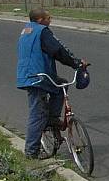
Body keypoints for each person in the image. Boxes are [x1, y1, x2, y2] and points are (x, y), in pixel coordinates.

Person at [16, 8, 86, 159]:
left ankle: (52, 118)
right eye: (48, 17)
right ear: (40, 20)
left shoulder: (27, 31)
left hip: (33, 75)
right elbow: (58, 51)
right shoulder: (43, 31)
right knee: (38, 114)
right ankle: (31, 152)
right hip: (37, 77)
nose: (50, 19)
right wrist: (76, 63)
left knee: (61, 85)